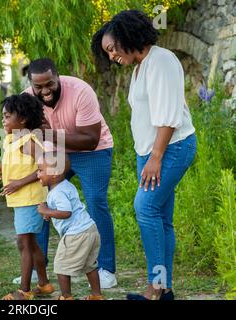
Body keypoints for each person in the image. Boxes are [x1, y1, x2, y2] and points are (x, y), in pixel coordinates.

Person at [91, 9, 197, 300]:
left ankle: (155, 288)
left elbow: (168, 117)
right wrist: (147, 155)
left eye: (112, 48)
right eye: (107, 52)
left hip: (170, 149)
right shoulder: (140, 67)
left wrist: (156, 157)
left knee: (145, 208)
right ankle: (164, 289)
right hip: (151, 153)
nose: (111, 56)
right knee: (161, 219)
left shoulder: (160, 61)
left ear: (128, 36)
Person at [17, 58, 117, 289]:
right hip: (54, 153)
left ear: (58, 77)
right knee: (40, 200)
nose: (45, 91)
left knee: (95, 202)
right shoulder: (27, 99)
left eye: (50, 84)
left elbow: (90, 140)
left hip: (93, 151)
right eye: (38, 87)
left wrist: (50, 134)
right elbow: (21, 134)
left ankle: (106, 268)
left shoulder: (81, 91)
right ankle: (36, 269)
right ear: (31, 84)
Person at [0, 93, 55, 300]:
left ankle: (25, 290)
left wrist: (19, 182)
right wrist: (1, 166)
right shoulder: (11, 139)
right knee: (28, 242)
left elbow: (43, 167)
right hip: (21, 199)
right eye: (3, 116)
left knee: (24, 242)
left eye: (7, 116)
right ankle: (44, 284)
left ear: (23, 120)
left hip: (31, 198)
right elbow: (10, 157)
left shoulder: (28, 141)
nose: (3, 120)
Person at [36, 152, 105, 300]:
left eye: (41, 169)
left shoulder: (57, 192)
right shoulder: (66, 185)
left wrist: (46, 210)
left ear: (55, 173)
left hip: (76, 234)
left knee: (61, 266)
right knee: (90, 265)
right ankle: (96, 295)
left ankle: (66, 297)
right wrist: (50, 213)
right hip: (90, 229)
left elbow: (66, 212)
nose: (38, 173)